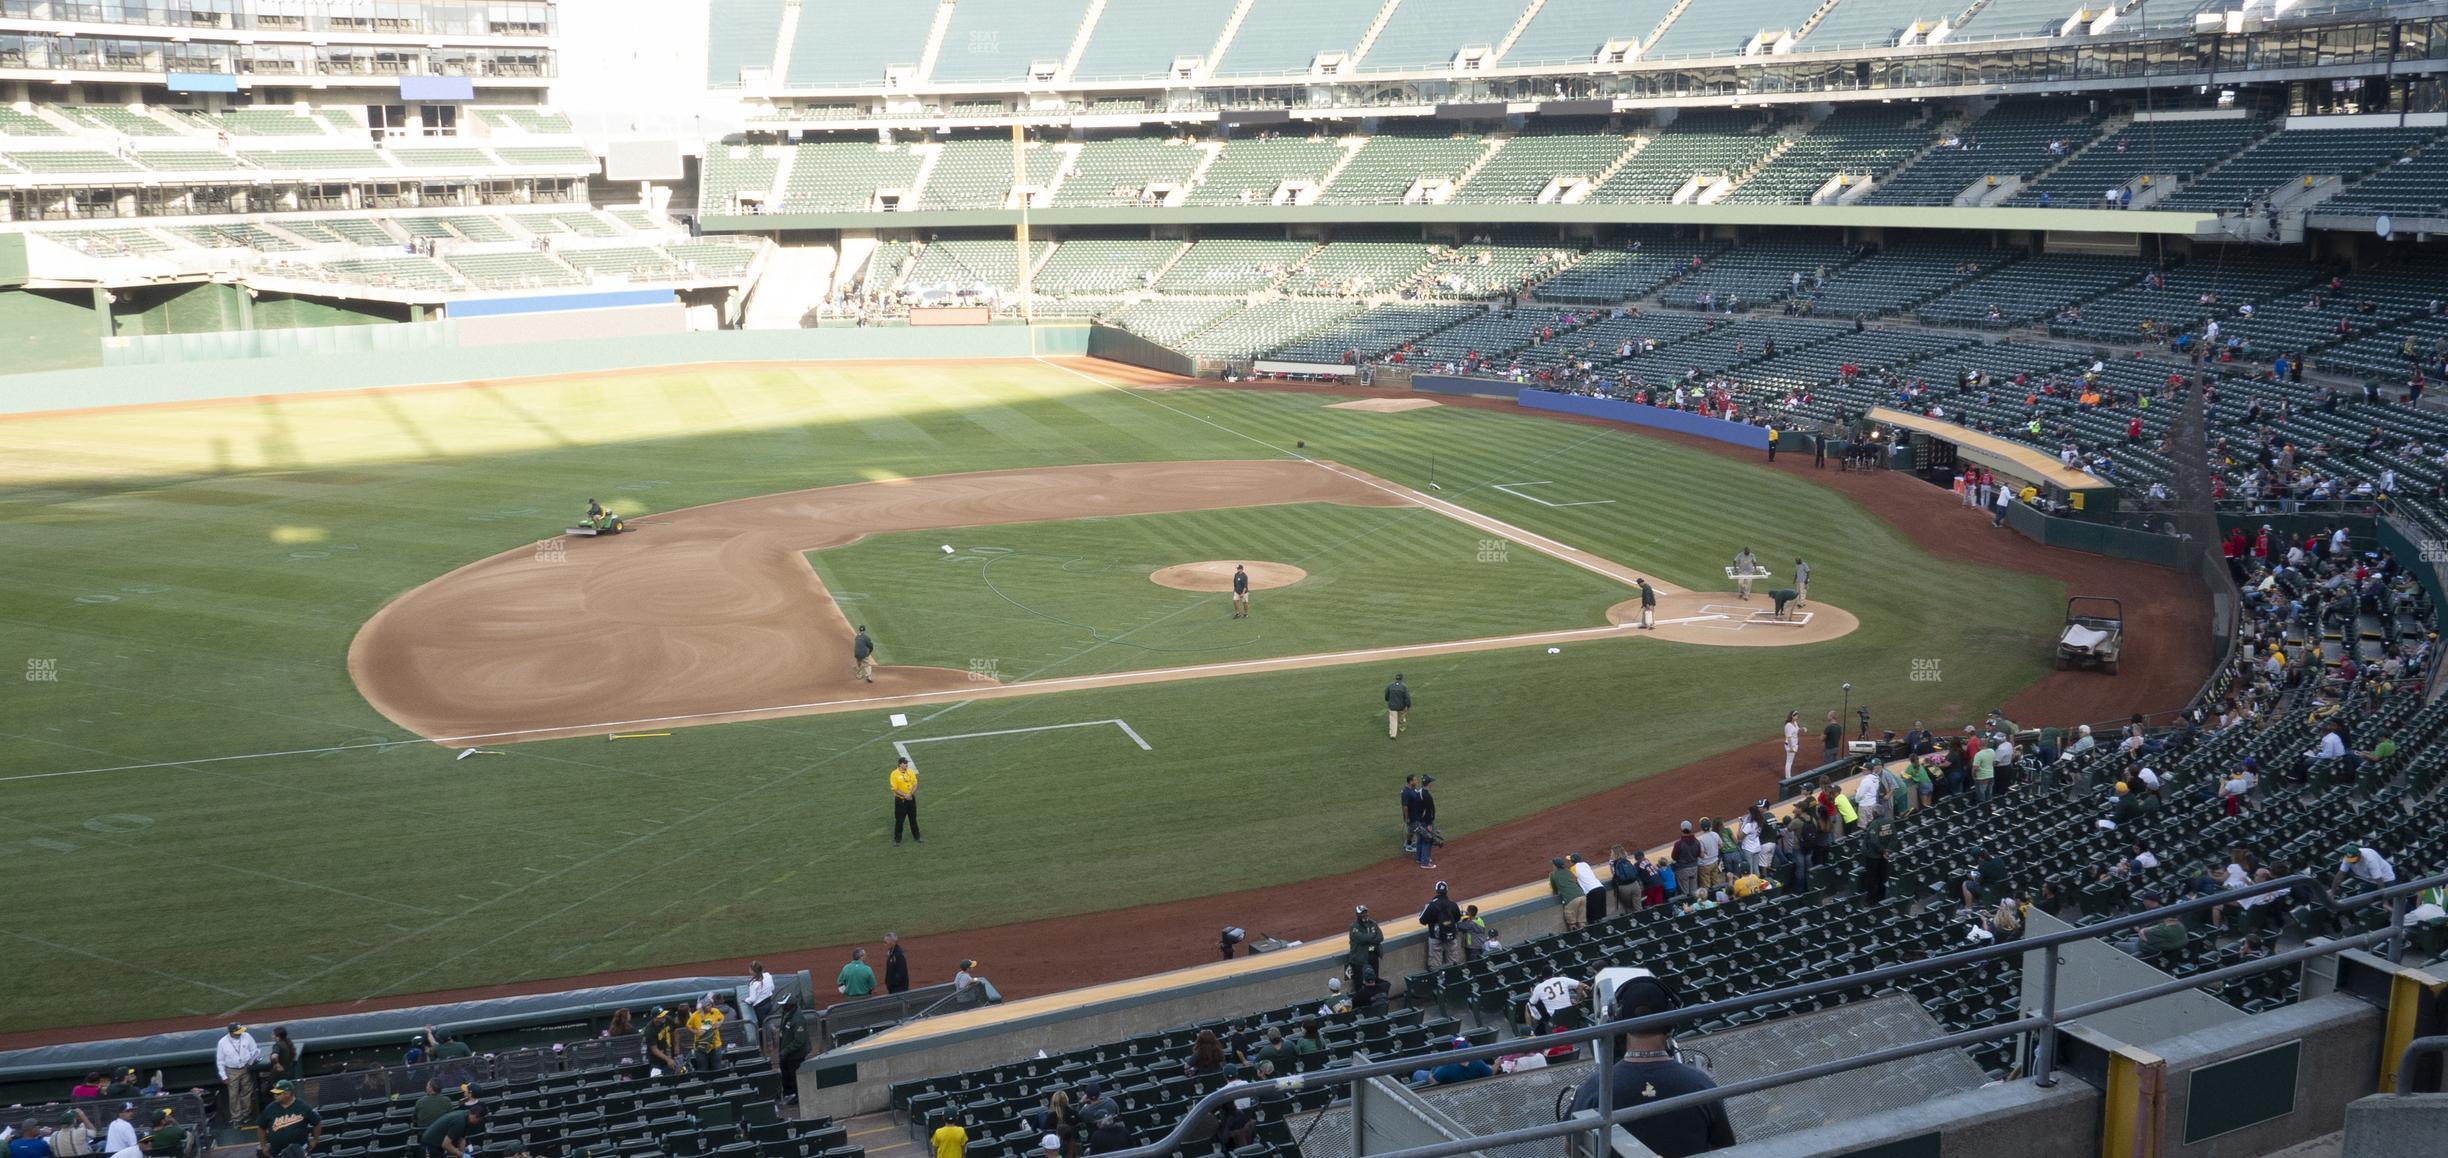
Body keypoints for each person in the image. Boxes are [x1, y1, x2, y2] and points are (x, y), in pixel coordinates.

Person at [1565, 975, 1735, 1157]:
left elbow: (1572, 1148)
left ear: (1619, 1021)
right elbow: (1725, 1148)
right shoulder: (1701, 1084)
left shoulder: (1595, 1087)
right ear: (1670, 1020)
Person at [255, 1080, 320, 1158]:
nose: (275, 1095)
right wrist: (263, 1145)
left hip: (300, 1153)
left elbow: (317, 1123)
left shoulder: (303, 1106)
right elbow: (261, 1127)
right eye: (274, 1093)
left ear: (288, 1093)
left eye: (278, 1093)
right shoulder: (270, 1108)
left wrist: (315, 1140)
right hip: (277, 1153)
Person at [216, 1023, 263, 1127]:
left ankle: (246, 1115)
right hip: (231, 1071)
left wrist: (251, 1059)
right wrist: (223, 1076)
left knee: (247, 1092)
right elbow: (220, 1061)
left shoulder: (247, 1036)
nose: (240, 1034)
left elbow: (254, 1049)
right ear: (231, 1033)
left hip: (246, 1068)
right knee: (233, 1095)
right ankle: (237, 1118)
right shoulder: (222, 1042)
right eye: (237, 1032)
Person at [773, 996, 810, 1106]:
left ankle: (795, 1098)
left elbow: (800, 1041)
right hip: (786, 1054)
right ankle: (788, 1095)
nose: (782, 1006)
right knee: (786, 1075)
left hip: (795, 1055)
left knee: (794, 1077)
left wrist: (785, 1051)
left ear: (791, 1005)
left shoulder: (798, 1019)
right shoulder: (787, 1014)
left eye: (784, 1004)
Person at [1420, 881, 1463, 969]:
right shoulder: (1453, 904)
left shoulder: (1431, 905)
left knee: (1435, 964)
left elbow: (1422, 920)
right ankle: (1453, 981)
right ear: (1447, 891)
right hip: (1451, 937)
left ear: (1436, 890)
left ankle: (1438, 981)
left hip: (1435, 938)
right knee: (1452, 962)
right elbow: (1458, 918)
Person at [687, 994, 726, 1072]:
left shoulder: (715, 1011)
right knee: (703, 1068)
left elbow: (721, 1018)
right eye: (708, 1005)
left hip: (715, 1045)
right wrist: (695, 1032)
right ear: (703, 1007)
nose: (710, 1006)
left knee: (717, 1068)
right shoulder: (695, 1016)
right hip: (701, 1047)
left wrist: (719, 1023)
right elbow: (688, 1026)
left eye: (710, 1004)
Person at [1345, 906, 1383, 980]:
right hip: (1360, 958)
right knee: (1361, 981)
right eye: (1362, 913)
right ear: (1357, 915)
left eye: (1365, 912)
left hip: (1373, 956)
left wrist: (1368, 939)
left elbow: (1380, 937)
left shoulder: (1373, 923)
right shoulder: (1354, 927)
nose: (1365, 914)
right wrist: (1373, 935)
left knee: (1375, 978)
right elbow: (1362, 939)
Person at [890, 756, 921, 845]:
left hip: (911, 799)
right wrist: (905, 795)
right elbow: (895, 789)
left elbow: (915, 784)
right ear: (900, 764)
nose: (906, 764)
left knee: (913, 819)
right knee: (899, 820)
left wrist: (910, 794)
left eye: (907, 763)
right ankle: (897, 840)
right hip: (900, 801)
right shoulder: (894, 774)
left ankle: (917, 837)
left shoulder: (910, 772)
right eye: (905, 763)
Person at [1571, 853, 1608, 924]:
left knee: (1591, 918)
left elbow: (1574, 880)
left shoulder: (1573, 868)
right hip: (1601, 888)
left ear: (1572, 862)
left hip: (1592, 892)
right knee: (1599, 917)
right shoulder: (1585, 864)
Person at [1385, 672, 1411, 739]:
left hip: (1392, 706)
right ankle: (1401, 728)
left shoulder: (1390, 685)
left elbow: (1386, 695)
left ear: (1395, 678)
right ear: (1402, 678)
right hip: (1401, 706)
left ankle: (1393, 734)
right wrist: (1408, 705)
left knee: (1393, 720)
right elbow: (1407, 697)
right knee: (1401, 717)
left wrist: (1388, 700)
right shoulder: (1404, 686)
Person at [1781, 710, 1801, 780]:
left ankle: (1788, 777)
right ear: (1792, 716)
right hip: (1790, 745)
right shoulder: (1788, 725)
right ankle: (1788, 778)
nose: (1797, 716)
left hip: (1795, 744)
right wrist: (1791, 747)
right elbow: (1789, 737)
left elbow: (1797, 731)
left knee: (1790, 761)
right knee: (1789, 762)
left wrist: (1802, 729)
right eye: (1796, 715)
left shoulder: (1795, 723)